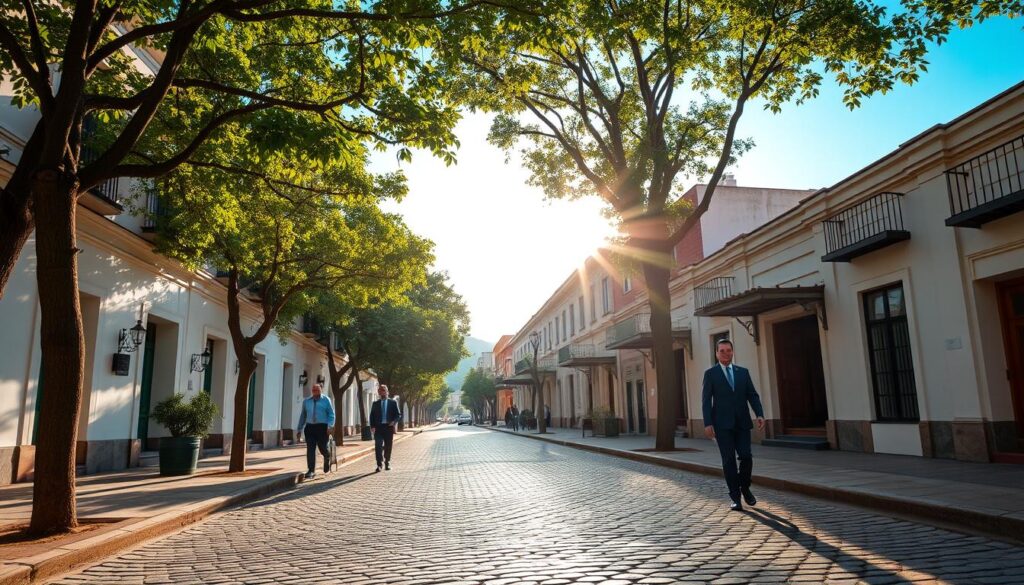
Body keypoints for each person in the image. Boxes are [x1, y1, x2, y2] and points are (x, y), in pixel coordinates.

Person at [702, 339, 765, 511]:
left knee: (746, 456)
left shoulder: (742, 373)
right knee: (728, 460)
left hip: (743, 423)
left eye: (728, 350)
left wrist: (759, 413)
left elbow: (752, 395)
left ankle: (744, 487)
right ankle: (735, 497)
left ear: (732, 352)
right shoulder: (711, 374)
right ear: (716, 353)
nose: (725, 353)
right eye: (722, 351)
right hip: (722, 425)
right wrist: (708, 423)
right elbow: (706, 401)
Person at [296, 383, 335, 480]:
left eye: (317, 389)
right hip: (310, 428)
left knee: (322, 447)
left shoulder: (326, 400)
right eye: (313, 389)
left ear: (321, 390)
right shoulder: (306, 401)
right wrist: (299, 429)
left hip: (322, 427)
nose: (314, 391)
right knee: (310, 449)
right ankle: (311, 470)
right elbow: (303, 416)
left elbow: (331, 414)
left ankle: (327, 456)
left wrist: (330, 426)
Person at [369, 384, 401, 472]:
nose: (381, 392)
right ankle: (379, 464)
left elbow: (398, 415)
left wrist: (394, 422)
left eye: (383, 390)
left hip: (388, 428)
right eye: (380, 390)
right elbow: (371, 416)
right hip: (378, 428)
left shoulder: (393, 403)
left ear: (387, 392)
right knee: (378, 446)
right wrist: (372, 426)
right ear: (379, 392)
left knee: (388, 446)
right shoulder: (375, 404)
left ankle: (387, 462)